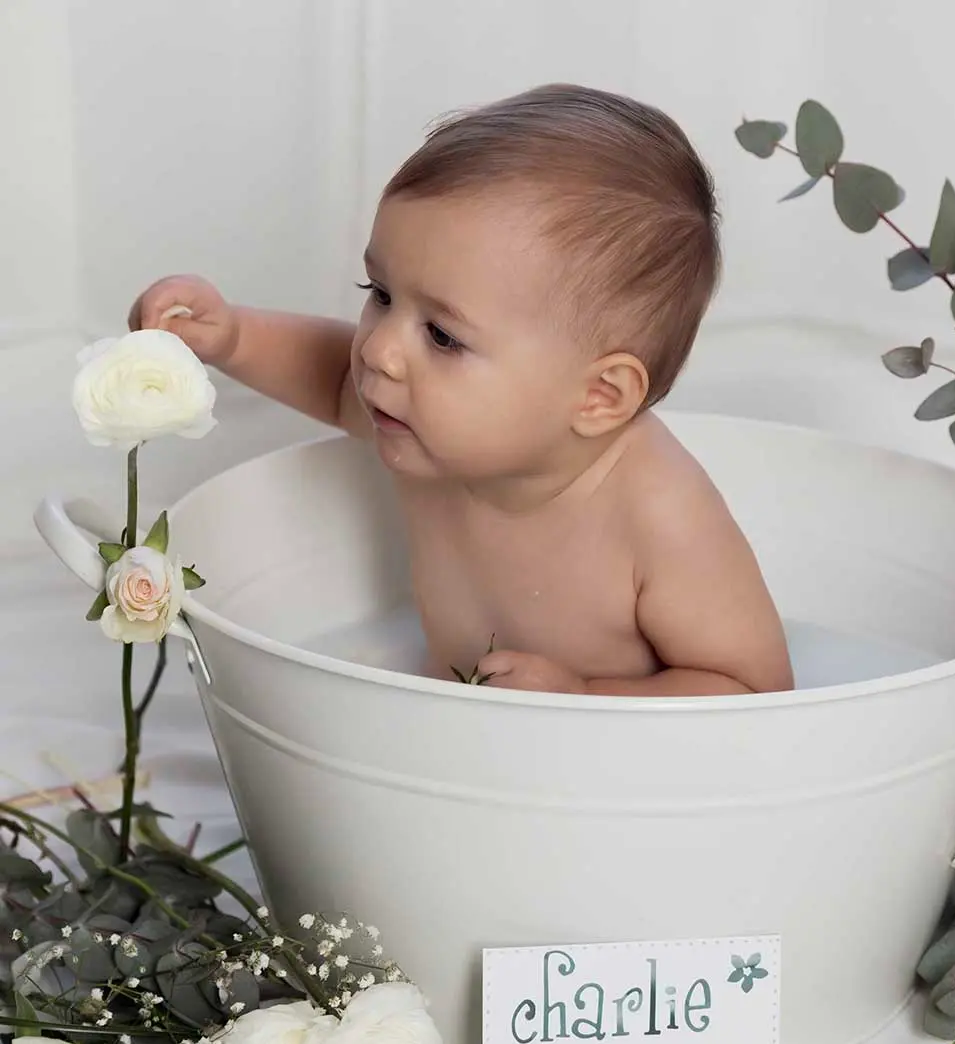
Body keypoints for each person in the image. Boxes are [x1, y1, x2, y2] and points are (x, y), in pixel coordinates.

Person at [129, 84, 793, 696]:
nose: (378, 351)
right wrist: (232, 336)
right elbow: (332, 378)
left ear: (598, 397)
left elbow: (753, 690)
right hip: (449, 731)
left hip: (613, 770)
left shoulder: (658, 514)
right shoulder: (435, 432)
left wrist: (582, 698)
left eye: (443, 335)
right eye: (380, 294)